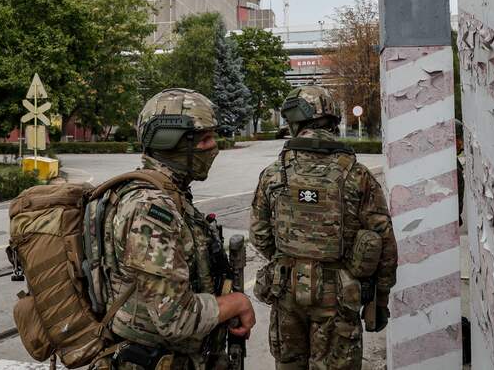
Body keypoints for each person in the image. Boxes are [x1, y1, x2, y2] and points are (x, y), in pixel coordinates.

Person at [97, 88, 255, 370]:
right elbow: (175, 318)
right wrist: (237, 303)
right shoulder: (150, 209)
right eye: (204, 139)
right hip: (154, 360)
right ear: (172, 142)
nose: (213, 147)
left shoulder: (170, 194)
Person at [250, 86, 398, 370]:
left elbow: (259, 234)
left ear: (294, 123)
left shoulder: (273, 173)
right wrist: (380, 297)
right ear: (332, 120)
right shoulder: (356, 174)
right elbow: (384, 240)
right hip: (340, 297)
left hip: (287, 292)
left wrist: (291, 259)